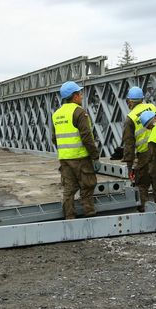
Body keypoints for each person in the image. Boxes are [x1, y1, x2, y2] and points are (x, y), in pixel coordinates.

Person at [51, 81, 100, 219]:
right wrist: (95, 156)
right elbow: (87, 137)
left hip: (65, 158)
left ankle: (69, 217)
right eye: (80, 93)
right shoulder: (79, 112)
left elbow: (54, 138)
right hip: (80, 157)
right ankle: (89, 215)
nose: (82, 96)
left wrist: (65, 149)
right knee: (88, 186)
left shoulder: (57, 114)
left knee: (69, 189)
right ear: (75, 96)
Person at [122, 86, 156, 213]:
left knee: (142, 184)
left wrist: (129, 166)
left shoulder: (131, 117)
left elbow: (129, 143)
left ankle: (146, 211)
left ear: (130, 101)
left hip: (145, 154)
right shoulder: (153, 107)